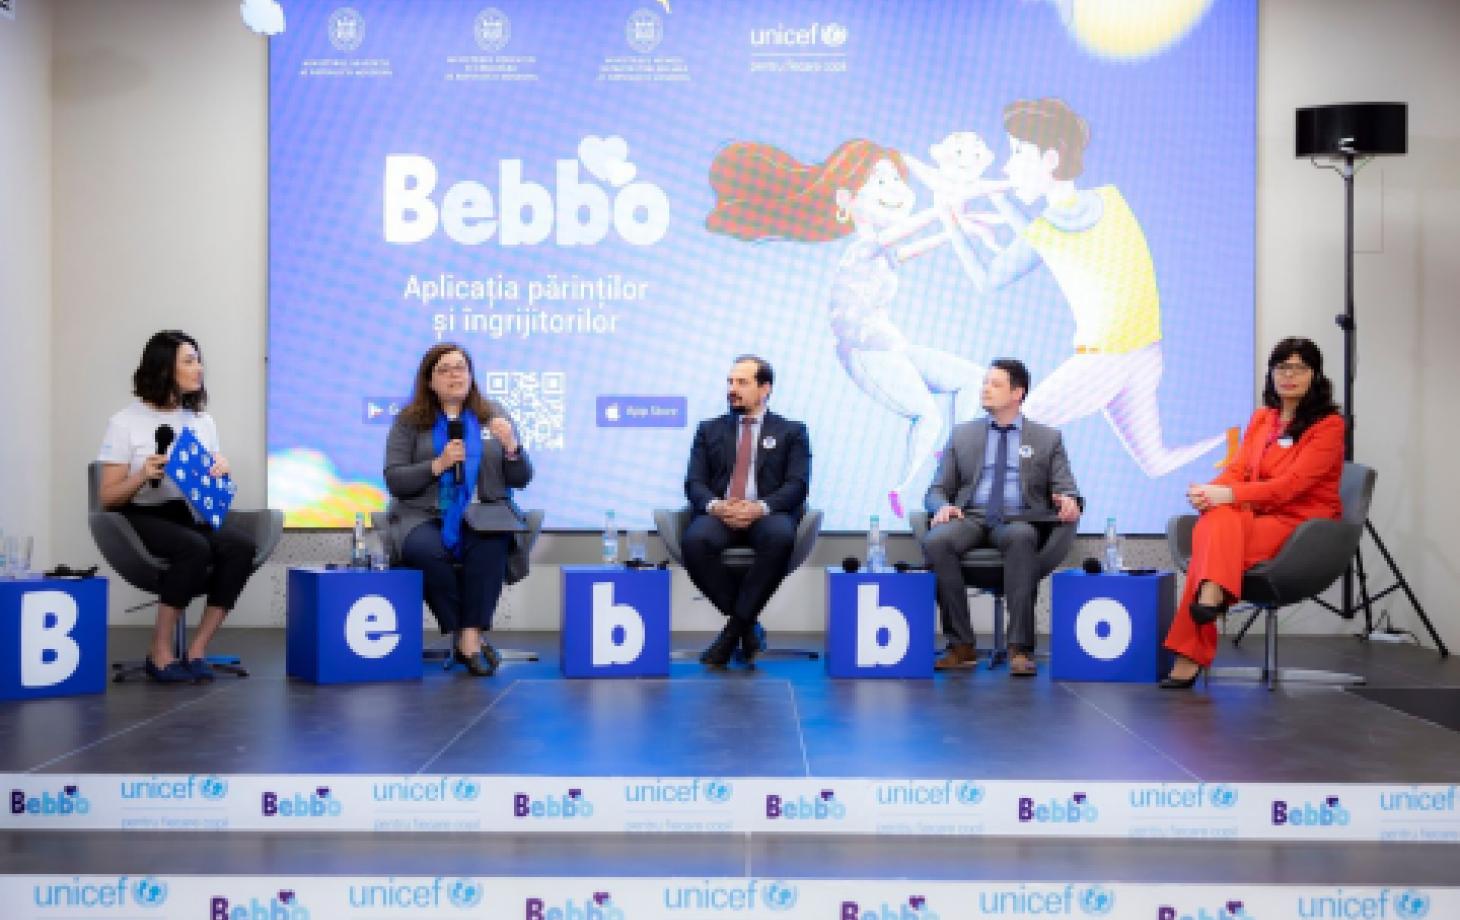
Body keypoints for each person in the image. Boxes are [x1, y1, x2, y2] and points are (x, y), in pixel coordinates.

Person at [940, 97, 1235, 479]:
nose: (1008, 166)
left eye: (1018, 153)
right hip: (1146, 354)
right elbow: (1056, 241)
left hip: (1105, 362)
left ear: (1050, 159)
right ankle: (1231, 441)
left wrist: (950, 221)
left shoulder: (1052, 226)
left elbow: (990, 278)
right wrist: (998, 199)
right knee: (1156, 463)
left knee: (1012, 431)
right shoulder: (1109, 200)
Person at [706, 139, 986, 519]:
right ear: (845, 200)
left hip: (892, 347)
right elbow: (900, 237)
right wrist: (944, 211)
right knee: (929, 416)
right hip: (866, 352)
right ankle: (902, 489)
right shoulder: (862, 248)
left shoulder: (881, 251)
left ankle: (959, 458)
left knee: (973, 378)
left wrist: (956, 229)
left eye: (896, 180)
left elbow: (908, 249)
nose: (895, 191)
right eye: (880, 182)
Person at [1160, 337, 1344, 689]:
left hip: (1301, 526)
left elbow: (1292, 486)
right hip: (1256, 514)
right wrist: (1209, 492)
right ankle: (1211, 595)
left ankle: (1192, 649)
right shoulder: (1263, 418)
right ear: (1272, 373)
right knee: (1217, 518)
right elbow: (1238, 469)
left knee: (1211, 548)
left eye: (1299, 368)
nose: (1289, 375)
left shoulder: (1328, 425)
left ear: (1315, 375)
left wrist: (1227, 495)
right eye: (1282, 367)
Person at [97, 330, 258, 684]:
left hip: (187, 515)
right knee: (193, 547)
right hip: (140, 516)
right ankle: (159, 651)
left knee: (241, 546)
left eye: (198, 360)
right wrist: (141, 475)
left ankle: (197, 650)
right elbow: (107, 497)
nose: (199, 368)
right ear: (163, 368)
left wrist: (221, 470)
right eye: (189, 361)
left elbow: (211, 487)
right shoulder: (124, 422)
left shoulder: (202, 421)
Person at [919, 359, 1081, 676]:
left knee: (1021, 537)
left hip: (1017, 518)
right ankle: (961, 645)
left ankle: (1019, 647)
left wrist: (1069, 501)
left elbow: (1067, 488)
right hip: (970, 516)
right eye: (985, 382)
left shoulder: (1047, 438)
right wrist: (941, 506)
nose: (985, 389)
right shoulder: (963, 435)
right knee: (937, 542)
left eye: (995, 384)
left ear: (1017, 393)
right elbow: (936, 489)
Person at [383, 343, 533, 677]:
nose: (455, 375)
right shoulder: (410, 422)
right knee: (426, 552)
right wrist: (437, 465)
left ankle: (468, 638)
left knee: (490, 545)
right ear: (430, 380)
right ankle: (468, 636)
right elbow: (395, 479)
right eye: (445, 369)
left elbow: (521, 479)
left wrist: (512, 447)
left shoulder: (493, 414)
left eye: (461, 368)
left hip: (483, 512)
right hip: (423, 514)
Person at [681, 355, 811, 668]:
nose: (732, 389)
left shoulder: (792, 431)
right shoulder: (709, 429)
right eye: (730, 382)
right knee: (695, 542)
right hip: (721, 513)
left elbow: (797, 485)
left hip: (767, 514)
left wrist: (759, 508)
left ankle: (730, 635)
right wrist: (717, 506)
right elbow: (694, 482)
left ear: (765, 388)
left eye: (742, 382)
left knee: (780, 537)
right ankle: (747, 626)